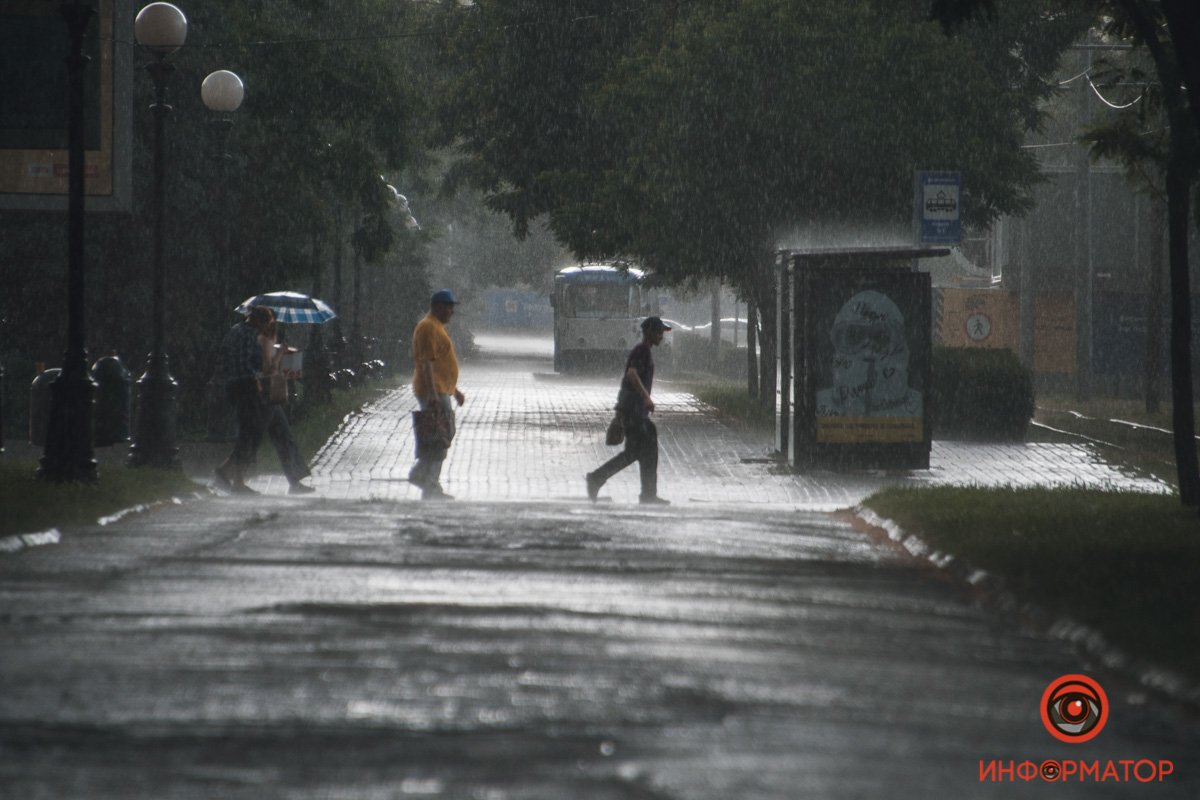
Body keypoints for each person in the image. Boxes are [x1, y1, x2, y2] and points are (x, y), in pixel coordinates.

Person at [586, 316, 671, 505]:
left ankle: (645, 492)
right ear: (649, 332)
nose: (661, 337)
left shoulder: (644, 351)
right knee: (639, 450)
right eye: (658, 332)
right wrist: (646, 397)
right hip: (633, 411)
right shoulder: (641, 351)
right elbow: (632, 375)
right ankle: (598, 479)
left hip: (634, 410)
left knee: (642, 449)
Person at [408, 289, 466, 500]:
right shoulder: (428, 327)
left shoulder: (436, 326)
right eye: (449, 307)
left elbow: (441, 363)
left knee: (439, 435)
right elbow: (427, 362)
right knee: (438, 437)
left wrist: (454, 390)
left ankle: (424, 477)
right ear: (439, 307)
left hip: (441, 390)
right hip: (433, 391)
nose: (452, 312)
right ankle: (427, 480)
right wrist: (432, 394)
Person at [215, 305, 274, 494]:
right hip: (245, 385)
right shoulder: (251, 334)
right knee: (251, 433)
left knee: (248, 432)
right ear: (260, 321)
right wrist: (255, 379)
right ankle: (232, 478)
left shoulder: (235, 330)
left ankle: (230, 475)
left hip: (232, 385)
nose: (267, 328)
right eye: (267, 323)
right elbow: (250, 362)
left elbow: (224, 356)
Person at [259, 319, 315, 494]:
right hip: (267, 395)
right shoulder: (265, 340)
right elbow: (269, 368)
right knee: (282, 437)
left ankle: (295, 480)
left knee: (271, 438)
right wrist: (281, 353)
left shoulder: (257, 340)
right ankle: (225, 474)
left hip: (262, 394)